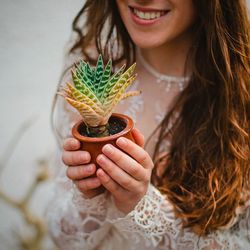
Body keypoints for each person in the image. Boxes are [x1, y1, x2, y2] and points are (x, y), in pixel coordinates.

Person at [47, 0, 250, 249]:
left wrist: (141, 208)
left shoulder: (243, 91)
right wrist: (91, 198)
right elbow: (64, 238)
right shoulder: (89, 67)